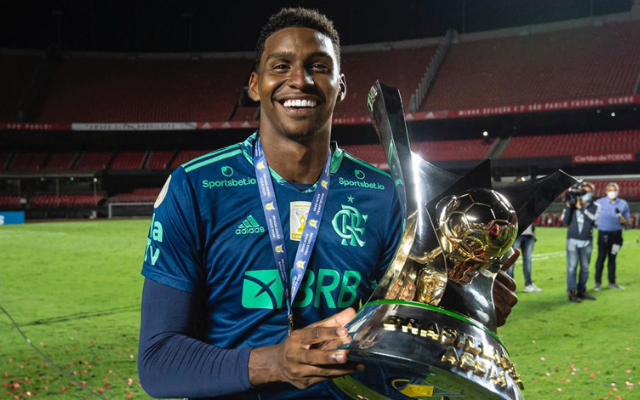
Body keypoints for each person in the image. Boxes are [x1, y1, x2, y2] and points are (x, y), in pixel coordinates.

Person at [137, 8, 518, 400]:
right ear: (255, 84)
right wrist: (274, 362)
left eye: (318, 66)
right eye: (280, 65)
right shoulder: (197, 188)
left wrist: (468, 307)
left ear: (341, 84)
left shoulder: (386, 197)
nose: (299, 80)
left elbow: (407, 337)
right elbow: (158, 361)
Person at [562, 182, 599, 303]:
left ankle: (581, 291)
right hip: (572, 240)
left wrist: (581, 208)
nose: (585, 194)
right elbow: (564, 221)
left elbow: (592, 220)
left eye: (588, 192)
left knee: (585, 268)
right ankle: (572, 292)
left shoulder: (595, 206)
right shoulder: (573, 206)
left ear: (592, 193)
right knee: (571, 268)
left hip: (586, 241)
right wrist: (569, 207)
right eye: (583, 191)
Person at [507, 177, 542, 293]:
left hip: (529, 234)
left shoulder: (530, 200)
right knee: (511, 260)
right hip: (516, 234)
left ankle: (529, 284)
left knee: (528, 260)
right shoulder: (511, 200)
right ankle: (509, 286)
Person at [594, 182, 631, 291]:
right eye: (610, 190)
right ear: (606, 191)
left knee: (612, 258)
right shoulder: (599, 203)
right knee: (601, 258)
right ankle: (598, 283)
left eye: (614, 190)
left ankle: (612, 282)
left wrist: (624, 221)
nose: (612, 192)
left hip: (616, 235)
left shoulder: (623, 204)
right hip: (603, 233)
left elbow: (627, 221)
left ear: (617, 192)